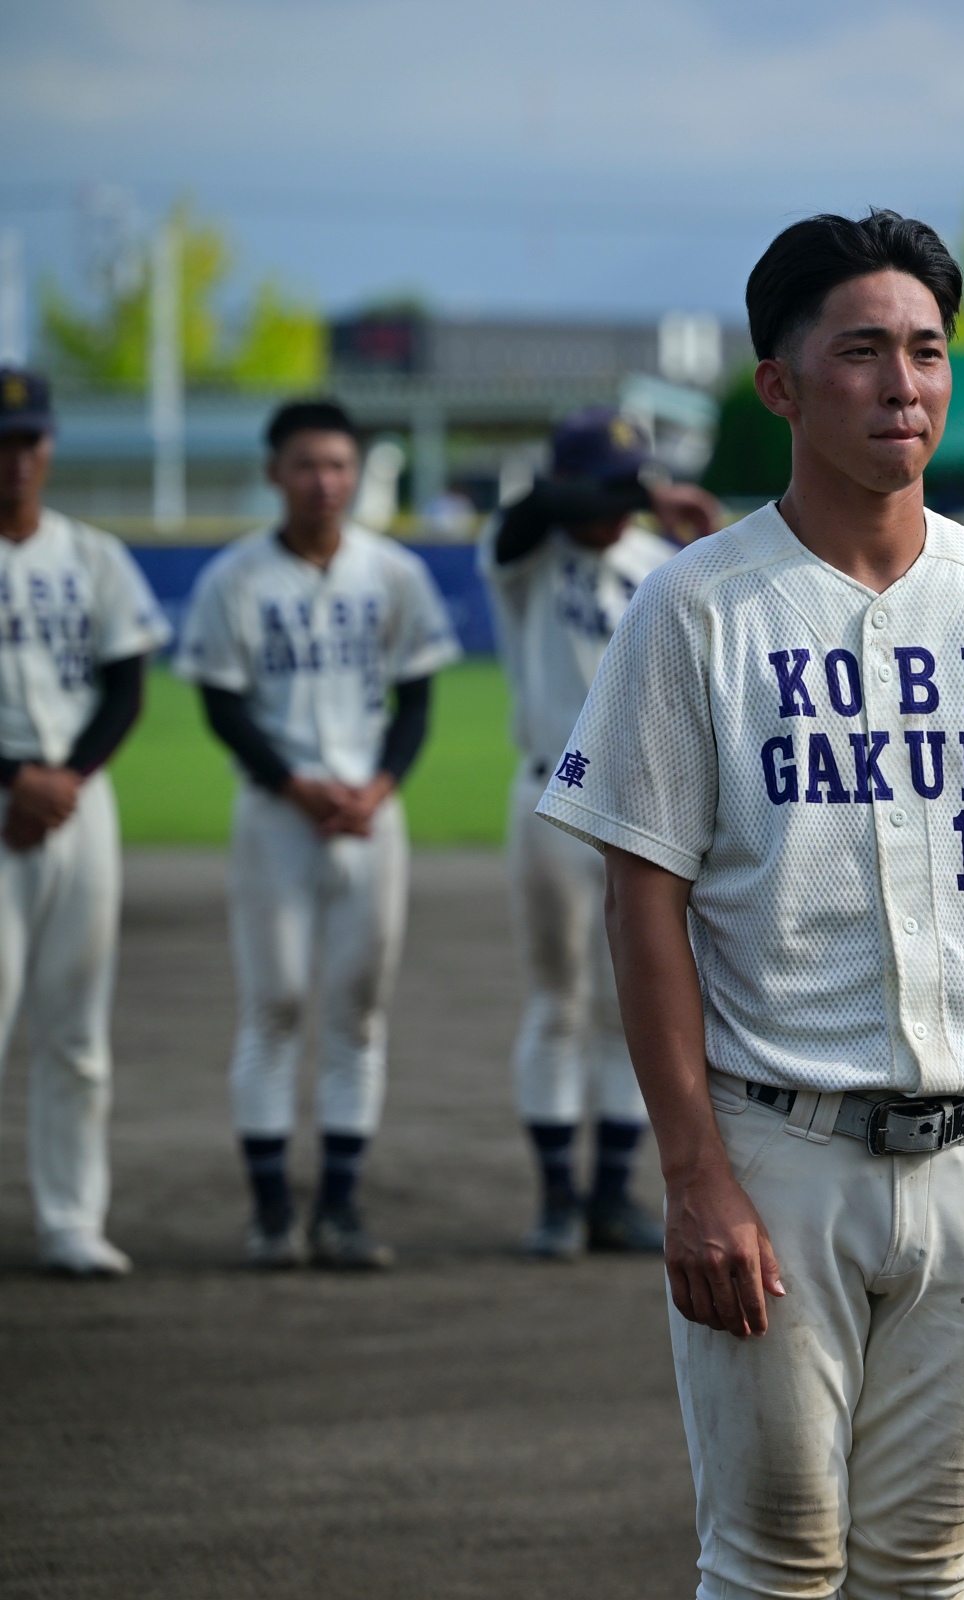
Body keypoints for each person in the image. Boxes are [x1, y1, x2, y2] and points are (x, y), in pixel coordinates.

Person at [536, 209, 964, 1599]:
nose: (903, 384)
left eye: (927, 351)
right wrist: (694, 1175)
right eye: (863, 350)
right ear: (780, 383)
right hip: (777, 1148)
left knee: (929, 1569)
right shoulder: (697, 608)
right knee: (775, 1565)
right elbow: (644, 908)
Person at [178, 398, 461, 1270]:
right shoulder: (235, 578)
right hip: (277, 816)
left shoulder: (393, 572)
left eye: (337, 464)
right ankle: (272, 1214)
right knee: (275, 1006)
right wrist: (292, 783)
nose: (323, 481)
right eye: (305, 464)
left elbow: (417, 700)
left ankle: (339, 1210)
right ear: (275, 473)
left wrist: (379, 785)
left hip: (370, 818)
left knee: (358, 1014)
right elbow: (221, 705)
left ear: (355, 473)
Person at [480, 407, 720, 1258]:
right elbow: (538, 511)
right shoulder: (524, 554)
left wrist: (699, 532)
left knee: (633, 1009)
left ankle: (613, 1195)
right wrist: (634, 491)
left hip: (648, 811)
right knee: (558, 1000)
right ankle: (556, 1199)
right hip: (553, 796)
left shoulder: (660, 563)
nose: (620, 507)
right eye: (609, 489)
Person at [0, 368, 170, 1277]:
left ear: (51, 445)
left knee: (76, 1028)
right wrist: (14, 780)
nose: (16, 458)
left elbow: (127, 686)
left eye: (29, 439)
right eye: (3, 442)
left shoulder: (91, 555)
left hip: (77, 804)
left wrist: (61, 782)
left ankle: (70, 1217)